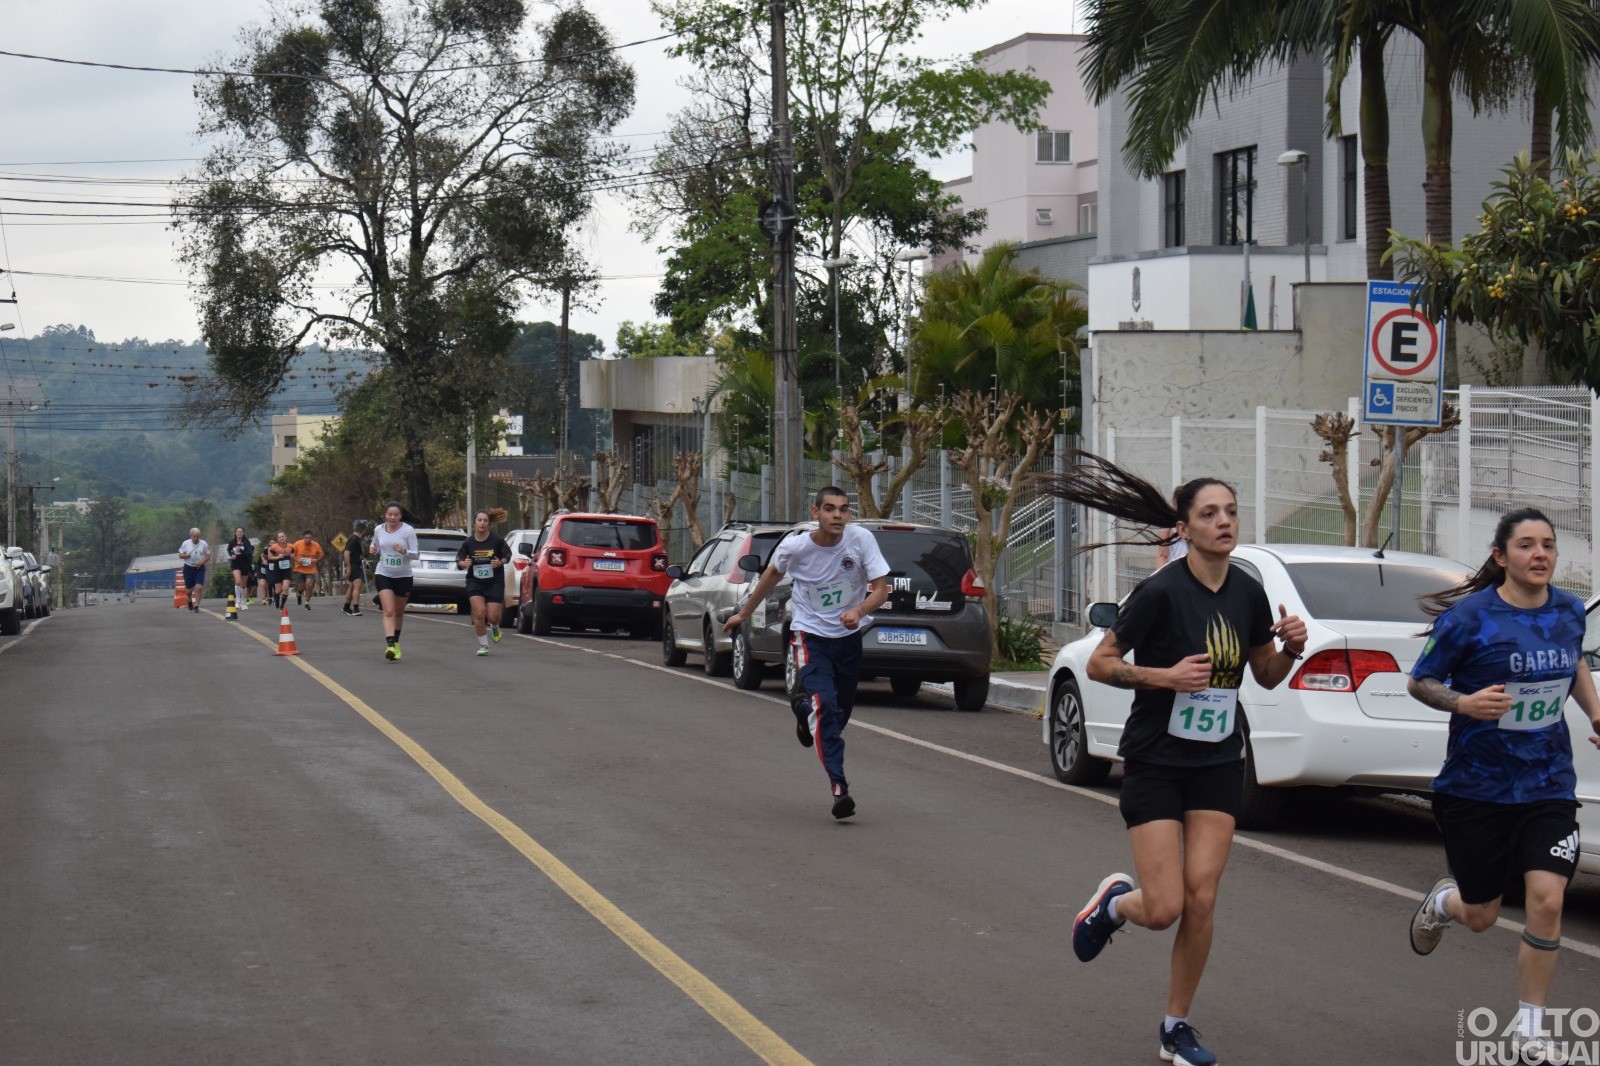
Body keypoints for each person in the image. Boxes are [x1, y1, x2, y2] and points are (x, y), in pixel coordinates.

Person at [1043, 452, 1307, 1066]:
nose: (1224, 521)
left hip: (1217, 760)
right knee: (1163, 909)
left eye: (1231, 511)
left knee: (1203, 898)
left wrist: (1291, 650)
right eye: (1209, 513)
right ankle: (1115, 905)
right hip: (1156, 759)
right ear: (1184, 528)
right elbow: (1100, 663)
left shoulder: (1249, 592)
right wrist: (1165, 676)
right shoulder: (1160, 592)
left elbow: (1266, 674)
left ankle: (1175, 1026)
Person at [1406, 508, 1600, 1063]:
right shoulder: (1470, 618)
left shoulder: (1569, 610)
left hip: (1548, 783)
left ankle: (1530, 1029)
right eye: (1526, 545)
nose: (1540, 554)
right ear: (1501, 555)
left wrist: (1595, 712)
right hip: (1476, 788)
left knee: (1548, 899)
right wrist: (1463, 702)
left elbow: (1574, 663)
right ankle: (1446, 903)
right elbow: (1421, 681)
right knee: (1482, 915)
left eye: (1548, 545)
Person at [723, 487, 890, 820]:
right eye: (829, 509)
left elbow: (881, 590)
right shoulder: (796, 546)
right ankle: (839, 788)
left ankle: (803, 713)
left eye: (843, 509)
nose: (837, 515)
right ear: (816, 513)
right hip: (809, 637)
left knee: (838, 715)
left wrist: (858, 611)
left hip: (848, 639)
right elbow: (772, 575)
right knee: (826, 708)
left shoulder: (861, 540)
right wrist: (744, 612)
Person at [456, 508, 511, 656]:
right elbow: (459, 560)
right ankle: (484, 645)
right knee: (479, 613)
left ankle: (495, 627)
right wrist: (464, 563)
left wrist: (500, 562)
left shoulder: (497, 541)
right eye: (479, 520)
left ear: (488, 524)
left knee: (493, 616)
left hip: (495, 582)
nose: (482, 523)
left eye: (485, 521)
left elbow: (507, 555)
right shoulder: (468, 543)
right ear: (474, 523)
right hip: (475, 582)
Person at [369, 502, 418, 661]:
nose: (393, 517)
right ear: (385, 515)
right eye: (390, 514)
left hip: (403, 576)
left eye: (396, 515)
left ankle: (396, 642)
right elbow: (375, 545)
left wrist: (404, 551)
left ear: (401, 516)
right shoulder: (378, 529)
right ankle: (390, 645)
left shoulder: (408, 531)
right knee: (388, 611)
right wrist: (373, 549)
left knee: (398, 612)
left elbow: (416, 554)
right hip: (384, 573)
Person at [177, 527, 211, 612]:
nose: (196, 538)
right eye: (194, 536)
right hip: (188, 568)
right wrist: (185, 556)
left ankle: (196, 605)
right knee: (189, 591)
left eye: (197, 536)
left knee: (199, 587)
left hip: (199, 568)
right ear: (191, 536)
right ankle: (189, 599)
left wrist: (202, 562)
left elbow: (208, 555)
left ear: (200, 536)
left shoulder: (203, 544)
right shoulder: (186, 543)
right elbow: (180, 555)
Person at [289, 529, 325, 611]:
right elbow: (291, 554)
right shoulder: (297, 544)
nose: (308, 539)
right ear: (303, 537)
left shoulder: (316, 545)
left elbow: (321, 555)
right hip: (299, 569)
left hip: (310, 569)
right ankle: (299, 594)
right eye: (306, 538)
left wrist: (317, 560)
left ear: (312, 538)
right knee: (301, 586)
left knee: (309, 584)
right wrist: (297, 560)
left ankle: (307, 603)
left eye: (309, 538)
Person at [343, 520, 367, 616]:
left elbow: (358, 554)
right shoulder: (353, 539)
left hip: (357, 564)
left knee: (352, 587)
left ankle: (346, 607)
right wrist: (349, 568)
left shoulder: (357, 539)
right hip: (353, 565)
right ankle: (356, 609)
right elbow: (346, 553)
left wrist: (365, 561)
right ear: (364, 530)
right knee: (358, 584)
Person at [225, 527, 253, 611]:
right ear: (235, 533)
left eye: (241, 531)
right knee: (238, 582)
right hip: (235, 564)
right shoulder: (232, 542)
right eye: (238, 531)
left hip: (245, 564)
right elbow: (229, 550)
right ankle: (237, 601)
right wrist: (231, 555)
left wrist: (240, 550)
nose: (239, 533)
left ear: (243, 533)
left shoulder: (246, 542)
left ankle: (243, 603)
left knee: (243, 585)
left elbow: (249, 553)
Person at [265, 531, 293, 610]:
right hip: (277, 570)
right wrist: (278, 557)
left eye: (283, 536)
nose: (281, 538)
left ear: (285, 537)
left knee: (285, 588)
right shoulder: (274, 547)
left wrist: (298, 560)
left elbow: (293, 555)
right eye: (279, 537)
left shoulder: (290, 546)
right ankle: (276, 596)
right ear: (278, 539)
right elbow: (269, 557)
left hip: (287, 570)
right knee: (278, 590)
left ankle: (282, 605)